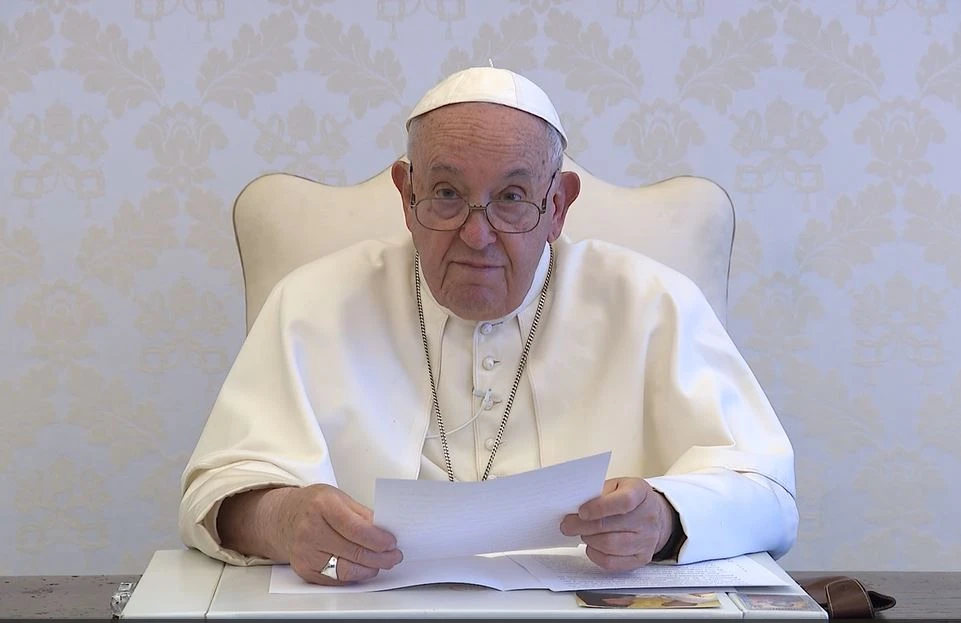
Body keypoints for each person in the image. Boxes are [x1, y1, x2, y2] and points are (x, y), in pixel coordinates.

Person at [178, 66, 798, 586]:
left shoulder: (655, 303)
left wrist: (664, 516)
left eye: (511, 198)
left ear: (558, 205)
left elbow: (768, 493)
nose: (477, 236)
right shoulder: (313, 302)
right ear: (405, 194)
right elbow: (216, 493)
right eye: (446, 193)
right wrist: (284, 519)